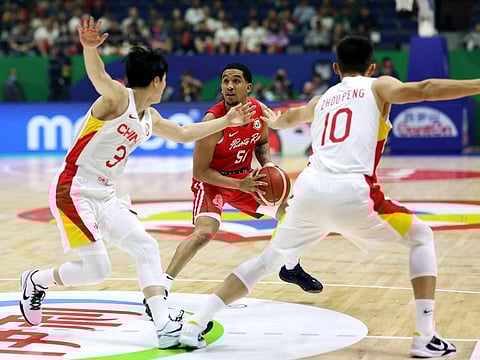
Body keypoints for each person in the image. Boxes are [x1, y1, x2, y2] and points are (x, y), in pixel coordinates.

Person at [178, 36, 473, 358]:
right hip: (353, 192)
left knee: (266, 262)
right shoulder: (378, 87)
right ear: (372, 67)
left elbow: (284, 120)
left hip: (309, 190)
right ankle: (425, 336)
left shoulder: (323, 98)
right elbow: (427, 88)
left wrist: (272, 116)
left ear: (336, 68)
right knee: (421, 237)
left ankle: (195, 324)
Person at [18, 16, 254, 350]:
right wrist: (88, 49)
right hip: (74, 188)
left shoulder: (150, 117)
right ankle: (36, 280)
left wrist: (227, 121)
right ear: (158, 80)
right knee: (97, 270)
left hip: (107, 194)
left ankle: (164, 326)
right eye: (165, 81)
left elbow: (185, 134)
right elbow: (98, 75)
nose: (166, 86)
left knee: (147, 247)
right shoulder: (117, 98)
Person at [150, 63, 322, 308]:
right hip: (211, 182)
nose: (229, 86)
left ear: (248, 87)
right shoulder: (213, 120)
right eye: (225, 81)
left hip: (244, 179)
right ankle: (161, 287)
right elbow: (200, 171)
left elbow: (261, 144)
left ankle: (291, 267)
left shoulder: (257, 112)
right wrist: (239, 184)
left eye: (236, 81)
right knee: (204, 233)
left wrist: (268, 167)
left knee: (291, 212)